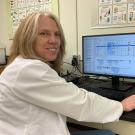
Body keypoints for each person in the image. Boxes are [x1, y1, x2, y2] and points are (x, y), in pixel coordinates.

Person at [0, 11, 135, 135]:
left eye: (57, 34)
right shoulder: (28, 69)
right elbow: (81, 103)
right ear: (27, 37)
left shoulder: (21, 65)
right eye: (43, 33)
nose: (53, 40)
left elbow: (69, 96)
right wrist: (121, 106)